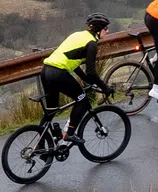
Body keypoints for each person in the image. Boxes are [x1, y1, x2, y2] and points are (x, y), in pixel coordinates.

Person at [41, 13, 114, 147]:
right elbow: (91, 72)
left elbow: (73, 61)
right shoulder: (91, 44)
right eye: (105, 29)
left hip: (46, 70)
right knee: (82, 99)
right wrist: (105, 88)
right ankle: (70, 133)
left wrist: (85, 79)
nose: (107, 31)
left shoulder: (78, 35)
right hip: (58, 73)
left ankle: (39, 145)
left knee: (51, 110)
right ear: (98, 30)